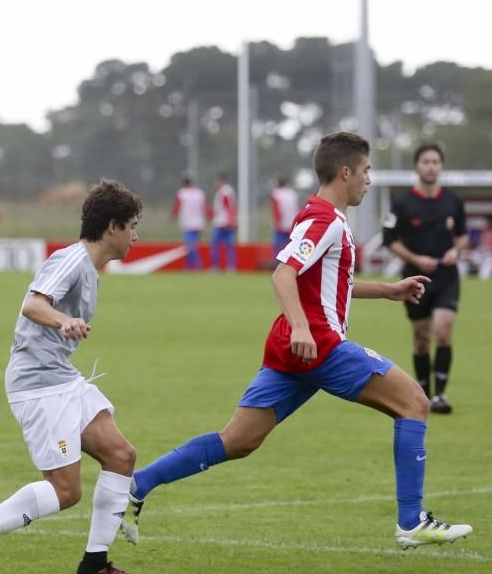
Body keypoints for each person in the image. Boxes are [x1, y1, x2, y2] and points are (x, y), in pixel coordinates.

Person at [122, 132, 472, 551]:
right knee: (414, 401)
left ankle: (136, 485)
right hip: (318, 346)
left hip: (294, 350)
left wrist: (389, 291)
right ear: (346, 172)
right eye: (366, 171)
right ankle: (412, 522)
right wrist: (304, 327)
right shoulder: (323, 220)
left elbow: (332, 283)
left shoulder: (323, 216)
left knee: (238, 441)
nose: (369, 180)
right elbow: (282, 273)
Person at [0, 179, 146, 574]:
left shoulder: (89, 267)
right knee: (67, 492)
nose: (136, 236)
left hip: (61, 379)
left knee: (121, 456)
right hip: (39, 385)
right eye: (132, 226)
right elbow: (33, 304)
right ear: (112, 227)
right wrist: (64, 320)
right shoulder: (71, 261)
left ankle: (95, 565)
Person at [382, 143, 468, 414]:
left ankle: (440, 395)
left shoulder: (454, 201)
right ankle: (423, 393)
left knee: (443, 332)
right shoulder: (402, 203)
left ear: (441, 166)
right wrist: (416, 260)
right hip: (414, 279)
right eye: (425, 161)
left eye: (435, 162)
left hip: (446, 277)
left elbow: (464, 237)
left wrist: (456, 250)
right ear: (417, 166)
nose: (431, 166)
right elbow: (389, 240)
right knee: (421, 338)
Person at [171, 176, 210, 271]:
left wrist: (172, 216)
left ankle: (199, 267)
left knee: (190, 248)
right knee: (191, 247)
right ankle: (187, 268)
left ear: (184, 184)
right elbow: (205, 208)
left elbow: (177, 207)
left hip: (187, 224)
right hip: (199, 224)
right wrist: (208, 217)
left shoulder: (182, 193)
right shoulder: (199, 193)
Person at [209, 173, 238, 272]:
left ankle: (216, 267)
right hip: (226, 222)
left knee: (215, 246)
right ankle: (231, 267)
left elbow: (228, 206)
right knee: (230, 247)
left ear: (222, 180)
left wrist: (231, 219)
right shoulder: (229, 191)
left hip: (222, 223)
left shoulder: (224, 191)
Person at [270, 177, 300, 256]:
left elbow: (277, 211)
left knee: (279, 249)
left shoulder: (276, 194)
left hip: (281, 226)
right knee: (291, 249)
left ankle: (278, 265)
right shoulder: (292, 193)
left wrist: (276, 224)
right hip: (293, 225)